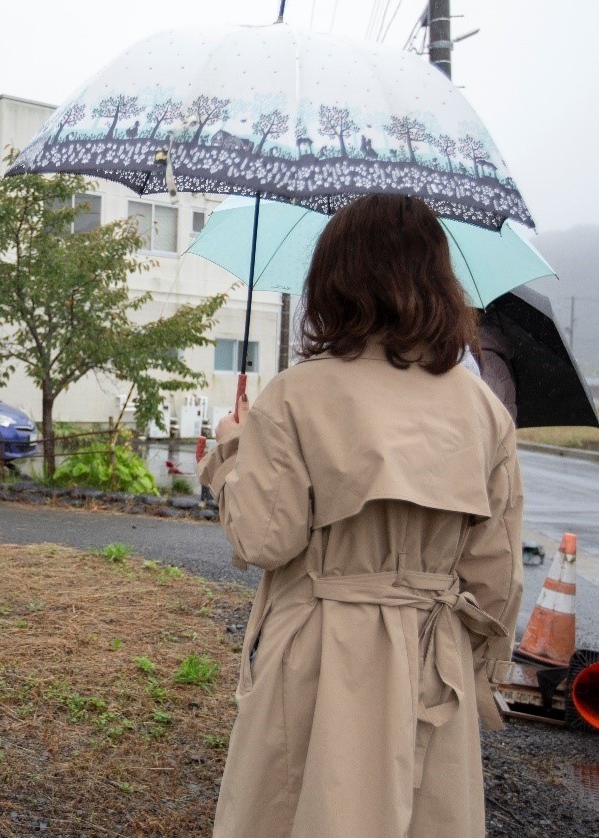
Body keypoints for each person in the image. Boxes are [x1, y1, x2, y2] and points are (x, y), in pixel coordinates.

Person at [198, 195, 523, 837]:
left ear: (332, 280)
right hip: (434, 662)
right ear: (439, 281)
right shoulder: (483, 409)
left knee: (303, 809)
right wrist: (478, 672)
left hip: (318, 654)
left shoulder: (297, 393)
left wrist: (232, 451)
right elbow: (496, 576)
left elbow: (265, 538)